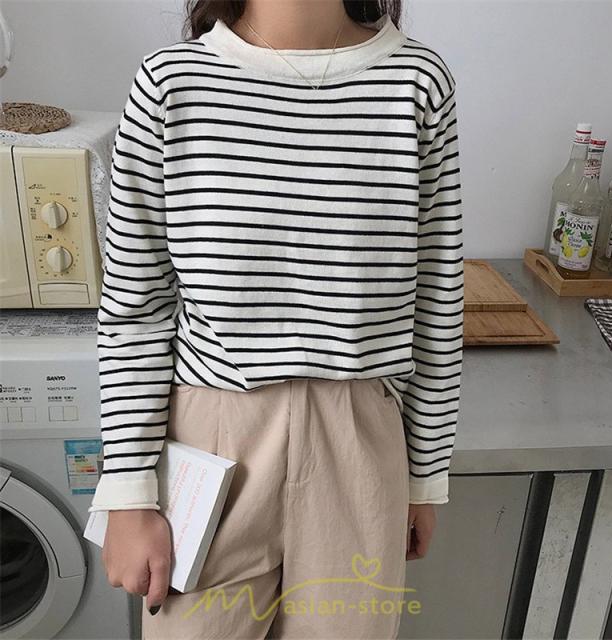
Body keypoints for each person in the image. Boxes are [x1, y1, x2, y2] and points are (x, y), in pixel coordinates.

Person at [89, 0, 464, 637]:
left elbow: (435, 299)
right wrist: (128, 491)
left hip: (359, 444)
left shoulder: (417, 84)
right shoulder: (172, 85)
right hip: (211, 439)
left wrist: (425, 477)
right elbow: (135, 306)